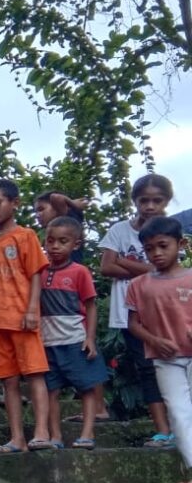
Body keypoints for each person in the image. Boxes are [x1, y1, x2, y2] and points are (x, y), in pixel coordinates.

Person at [99, 173, 175, 446]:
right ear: (135, 201)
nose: (151, 206)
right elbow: (106, 267)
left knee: (178, 369)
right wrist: (152, 269)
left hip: (169, 313)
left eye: (157, 200)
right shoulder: (120, 230)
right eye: (145, 200)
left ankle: (181, 428)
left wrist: (126, 262)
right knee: (146, 370)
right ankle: (163, 431)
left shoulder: (171, 229)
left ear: (166, 201)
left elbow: (169, 269)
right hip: (131, 314)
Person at [0, 179, 52, 455]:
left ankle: (42, 431)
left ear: (14, 203)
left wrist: (32, 308)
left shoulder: (25, 236)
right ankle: (17, 438)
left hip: (22, 316)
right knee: (8, 380)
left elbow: (35, 273)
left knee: (34, 373)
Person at [126, 215, 192, 483]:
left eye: (163, 246)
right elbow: (133, 324)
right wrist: (154, 340)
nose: (157, 253)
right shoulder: (139, 285)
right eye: (150, 249)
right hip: (166, 358)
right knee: (177, 413)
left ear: (181, 244)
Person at [38, 216, 109, 449]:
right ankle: (55, 436)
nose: (55, 246)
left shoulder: (80, 272)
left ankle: (87, 433)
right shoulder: (39, 272)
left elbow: (90, 306)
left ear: (75, 245)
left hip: (75, 340)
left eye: (63, 241)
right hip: (48, 342)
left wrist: (89, 338)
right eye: (50, 241)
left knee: (86, 388)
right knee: (51, 390)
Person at [34, 191, 89, 263]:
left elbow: (56, 197)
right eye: (36, 212)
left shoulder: (69, 219)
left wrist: (73, 203)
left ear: (55, 208)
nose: (37, 215)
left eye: (41, 209)